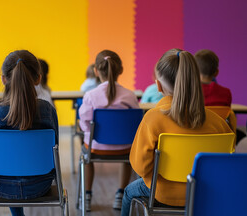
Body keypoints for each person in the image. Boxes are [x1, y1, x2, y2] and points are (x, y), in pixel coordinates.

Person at [121, 49, 233, 216]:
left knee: (129, 192)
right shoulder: (218, 122)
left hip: (162, 193)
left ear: (158, 85)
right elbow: (226, 165)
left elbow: (140, 166)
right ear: (195, 80)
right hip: (205, 192)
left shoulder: (152, 119)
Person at [0, 50, 59, 216]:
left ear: (3, 78)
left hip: (2, 185)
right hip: (40, 184)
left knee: (11, 168)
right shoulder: (48, 111)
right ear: (38, 78)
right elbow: (55, 153)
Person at [78, 50, 139, 211]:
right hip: (125, 148)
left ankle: (87, 195)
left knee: (85, 154)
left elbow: (84, 123)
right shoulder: (130, 95)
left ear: (96, 71)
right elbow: (136, 122)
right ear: (121, 70)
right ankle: (120, 194)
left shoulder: (90, 95)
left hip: (96, 147)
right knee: (128, 159)